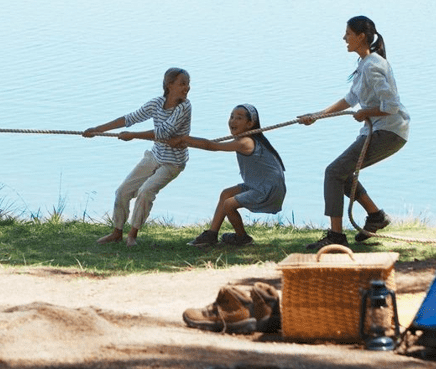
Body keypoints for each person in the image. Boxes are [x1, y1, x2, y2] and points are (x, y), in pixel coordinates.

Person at [298, 15, 409, 250]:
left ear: (360, 37)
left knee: (333, 173)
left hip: (389, 132)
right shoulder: (365, 64)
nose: (343, 38)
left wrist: (366, 112)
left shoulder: (373, 66)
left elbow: (391, 106)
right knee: (343, 174)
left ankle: (336, 236)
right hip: (383, 130)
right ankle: (376, 216)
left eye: (347, 34)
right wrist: (317, 116)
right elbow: (350, 98)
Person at [83, 67, 192, 246]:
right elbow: (130, 118)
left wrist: (133, 135)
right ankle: (117, 232)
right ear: (169, 85)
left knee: (146, 192)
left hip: (173, 162)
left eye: (188, 84)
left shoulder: (185, 107)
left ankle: (132, 235)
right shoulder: (156, 103)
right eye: (182, 84)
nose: (187, 88)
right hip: (154, 155)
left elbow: (164, 132)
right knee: (122, 191)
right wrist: (98, 129)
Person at [178, 104, 286, 248]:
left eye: (239, 118)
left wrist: (185, 140)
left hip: (268, 189)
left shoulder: (245, 142)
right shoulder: (246, 139)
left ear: (250, 124)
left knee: (229, 204)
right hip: (259, 185)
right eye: (231, 117)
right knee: (226, 194)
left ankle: (242, 238)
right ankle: (211, 235)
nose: (233, 121)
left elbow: (212, 146)